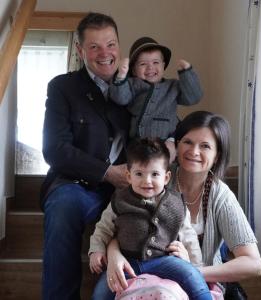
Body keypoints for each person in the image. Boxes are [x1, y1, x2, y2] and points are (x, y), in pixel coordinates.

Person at [103, 111, 261, 297]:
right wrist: (114, 253)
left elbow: (253, 263)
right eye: (188, 142)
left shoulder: (220, 195)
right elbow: (122, 221)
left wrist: (189, 271)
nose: (194, 151)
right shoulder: (155, 177)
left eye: (205, 146)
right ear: (177, 145)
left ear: (217, 155)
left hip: (198, 281)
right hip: (138, 274)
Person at [40, 12, 130, 300]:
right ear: (80, 50)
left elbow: (164, 119)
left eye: (111, 44)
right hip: (77, 185)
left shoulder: (138, 86)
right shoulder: (62, 87)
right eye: (94, 47)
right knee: (65, 206)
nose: (105, 54)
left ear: (119, 45)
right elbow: (55, 149)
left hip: (130, 186)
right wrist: (107, 173)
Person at [89, 137, 212, 300]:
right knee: (102, 291)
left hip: (164, 260)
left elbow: (189, 236)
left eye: (155, 174)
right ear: (128, 176)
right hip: (128, 262)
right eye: (139, 174)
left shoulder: (176, 203)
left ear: (166, 177)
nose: (147, 181)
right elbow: (103, 228)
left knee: (193, 277)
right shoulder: (119, 200)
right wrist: (96, 250)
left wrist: (195, 263)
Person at [109, 36, 203, 161]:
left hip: (165, 141)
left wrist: (187, 73)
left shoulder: (172, 86)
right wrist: (121, 76)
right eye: (143, 64)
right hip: (137, 144)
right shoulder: (133, 84)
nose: (150, 68)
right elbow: (120, 98)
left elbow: (193, 97)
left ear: (163, 65)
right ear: (134, 70)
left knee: (164, 169)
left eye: (156, 62)